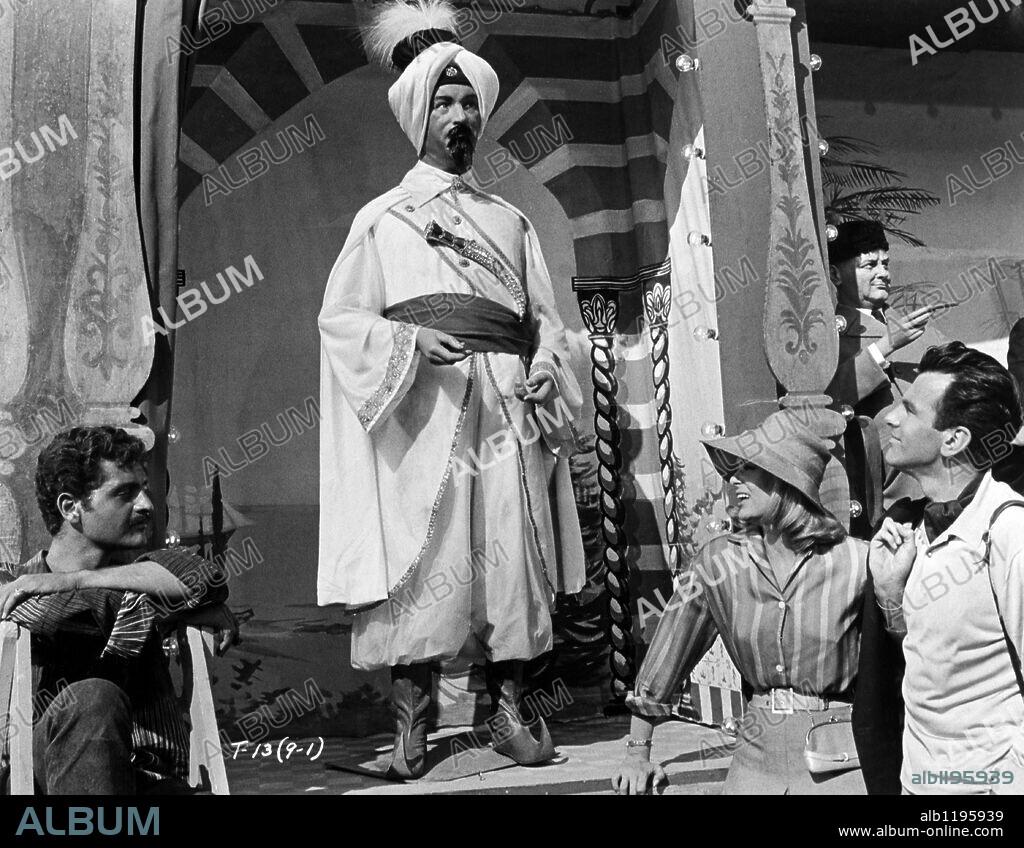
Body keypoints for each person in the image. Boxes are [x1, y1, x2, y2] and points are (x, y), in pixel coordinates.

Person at [317, 0, 584, 779]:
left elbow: (550, 322)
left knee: (512, 561)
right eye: (444, 100)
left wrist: (544, 366)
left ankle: (506, 715)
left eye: (469, 101)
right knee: (425, 561)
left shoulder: (512, 221)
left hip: (507, 403)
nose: (460, 115)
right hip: (424, 409)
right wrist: (405, 340)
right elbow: (340, 318)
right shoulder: (383, 220)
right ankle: (411, 736)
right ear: (416, 114)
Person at [610, 409, 868, 795]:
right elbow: (665, 659)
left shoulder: (859, 562)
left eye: (748, 468)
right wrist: (637, 752)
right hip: (755, 759)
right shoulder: (718, 564)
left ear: (788, 480)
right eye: (731, 471)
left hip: (840, 762)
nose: (732, 480)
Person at [0, 426, 238, 795]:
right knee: (94, 697)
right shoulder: (15, 585)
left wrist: (76, 581)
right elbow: (49, 613)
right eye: (125, 493)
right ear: (71, 508)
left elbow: (204, 577)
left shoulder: (148, 568)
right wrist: (170, 605)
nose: (147, 505)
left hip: (149, 780)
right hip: (42, 780)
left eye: (145, 489)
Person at [864, 342, 1024, 794]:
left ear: (953, 440)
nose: (891, 418)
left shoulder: (1009, 532)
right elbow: (928, 656)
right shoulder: (907, 527)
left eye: (910, 410)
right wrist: (890, 594)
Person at [826, 220, 942, 535]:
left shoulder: (908, 323)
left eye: (885, 263)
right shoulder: (828, 335)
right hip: (887, 495)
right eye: (869, 264)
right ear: (836, 275)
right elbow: (831, 399)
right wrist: (887, 345)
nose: (883, 273)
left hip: (940, 477)